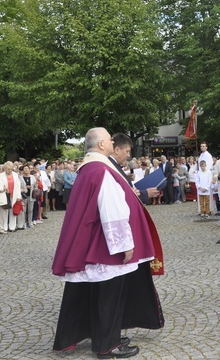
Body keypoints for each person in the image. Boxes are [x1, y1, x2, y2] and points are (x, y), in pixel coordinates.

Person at [52, 127, 163, 358]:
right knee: (109, 296)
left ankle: (88, 336)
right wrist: (125, 245)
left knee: (93, 292)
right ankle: (107, 344)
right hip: (106, 246)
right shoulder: (102, 170)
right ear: (102, 144)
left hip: (93, 241)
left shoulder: (89, 168)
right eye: (110, 139)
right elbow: (113, 211)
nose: (113, 142)